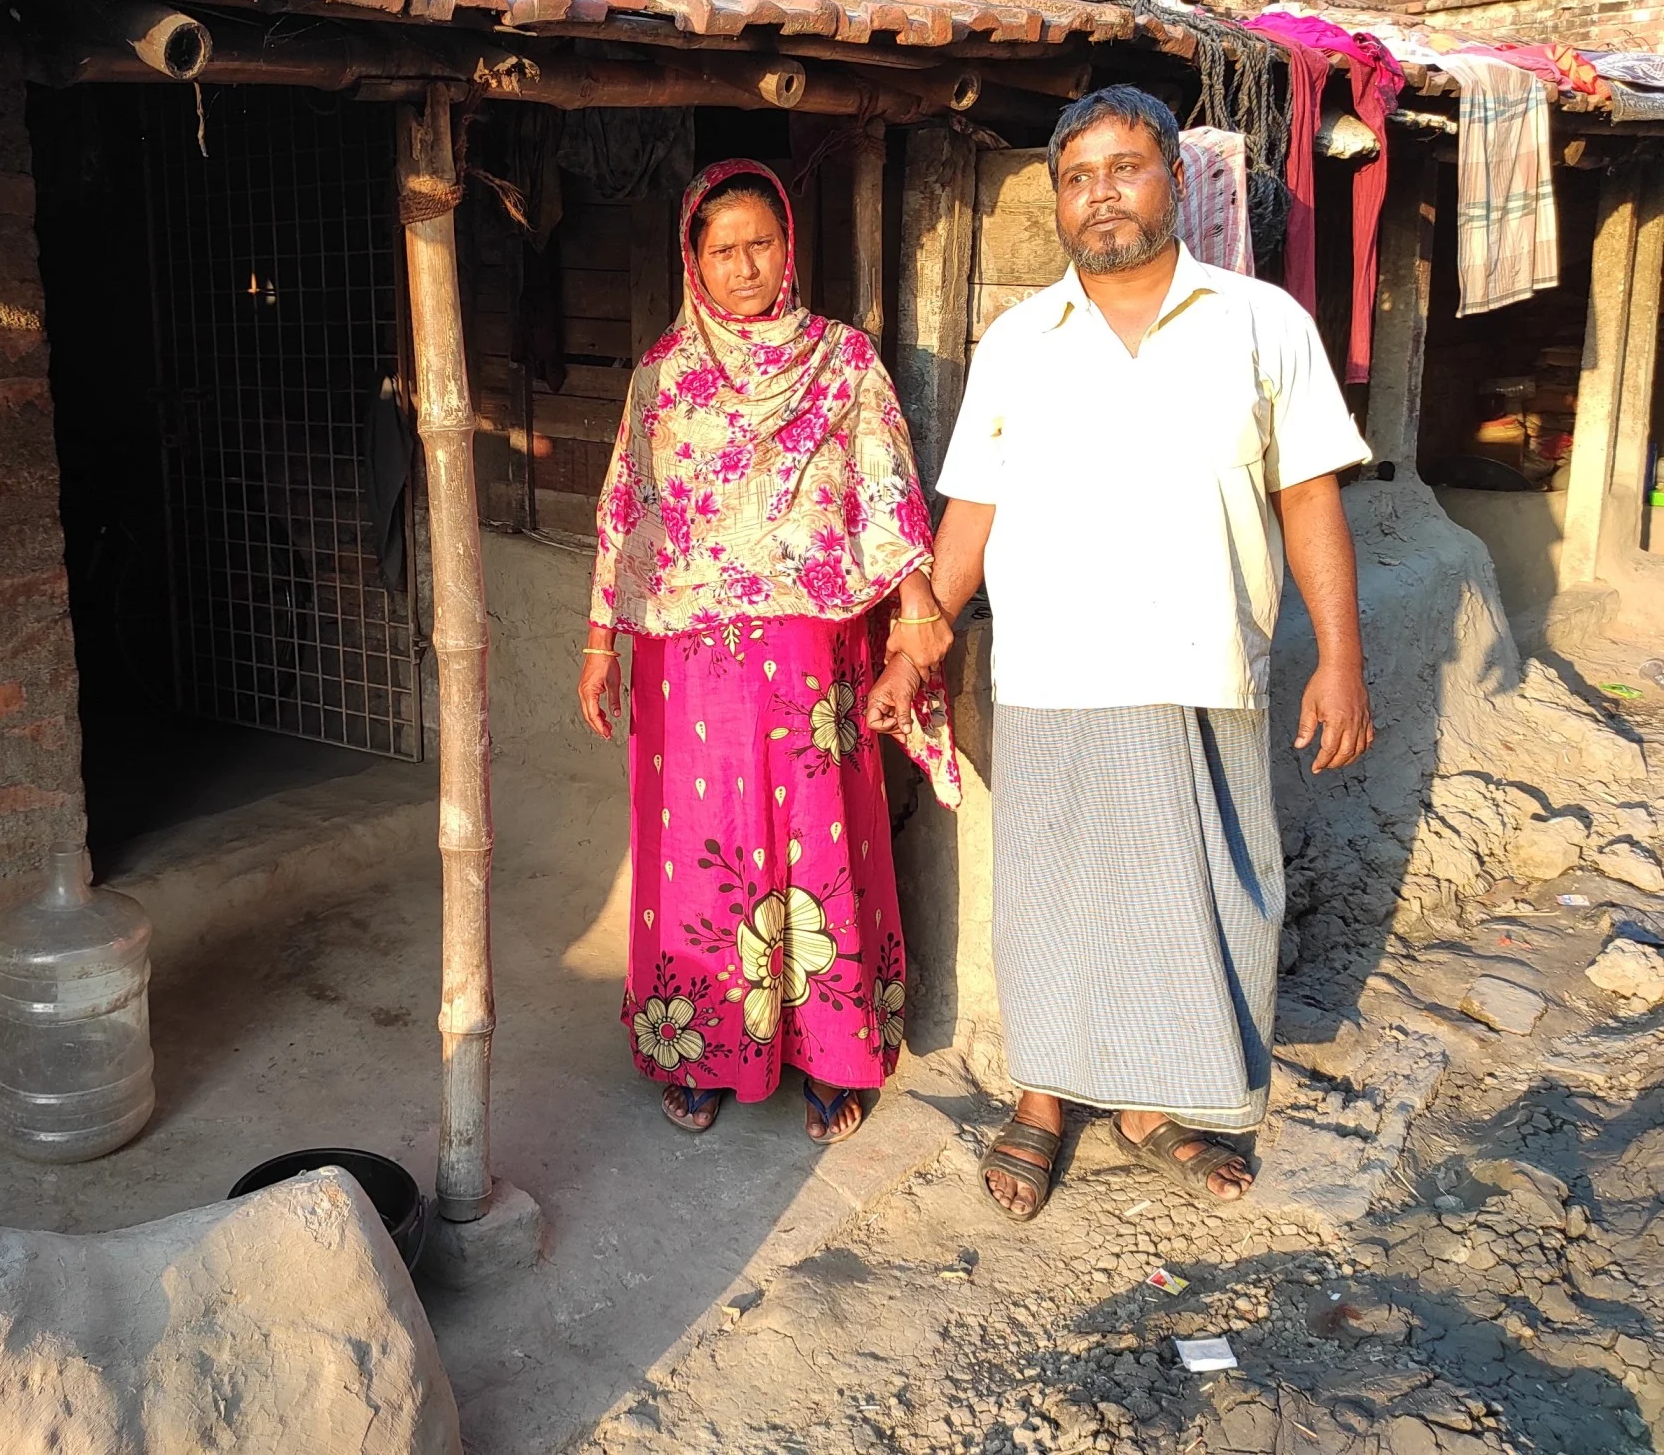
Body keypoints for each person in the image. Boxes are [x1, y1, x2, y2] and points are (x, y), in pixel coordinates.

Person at [866, 86, 1375, 1217]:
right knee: (1051, 901)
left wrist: (1339, 658)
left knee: (1200, 899)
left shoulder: (1257, 324)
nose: (1101, 193)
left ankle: (1157, 1104)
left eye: (1125, 166)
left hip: (1204, 662)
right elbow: (969, 514)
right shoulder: (1015, 342)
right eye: (1077, 174)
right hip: (1052, 671)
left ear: (1174, 182)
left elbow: (1307, 500)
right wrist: (921, 642)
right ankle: (1044, 1101)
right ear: (1058, 197)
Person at [579, 158, 960, 1146]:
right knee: (699, 856)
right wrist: (597, 642)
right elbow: (625, 509)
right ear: (692, 261)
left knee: (817, 834)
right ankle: (699, 1044)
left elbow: (884, 490)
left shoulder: (839, 361)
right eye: (722, 249)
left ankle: (832, 1050)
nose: (744, 266)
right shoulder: (659, 377)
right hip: (683, 655)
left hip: (807, 647)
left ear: (787, 248)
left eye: (760, 244)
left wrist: (916, 613)